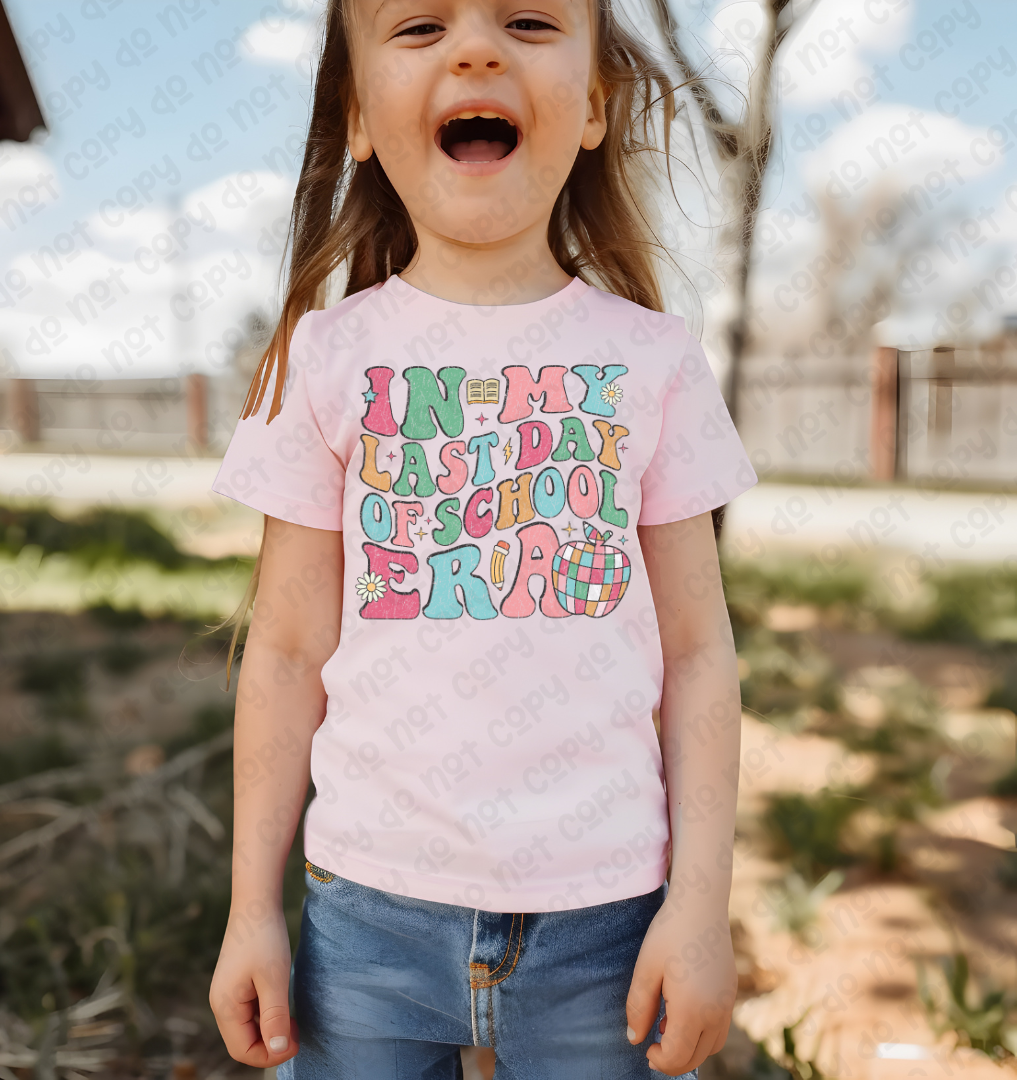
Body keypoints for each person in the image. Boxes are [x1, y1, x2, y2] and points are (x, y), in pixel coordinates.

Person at [207, 0, 758, 1072]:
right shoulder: (322, 361)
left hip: (608, 923)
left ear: (593, 107)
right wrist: (250, 912)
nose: (474, 47)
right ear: (359, 115)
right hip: (365, 919)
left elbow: (699, 653)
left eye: (528, 20)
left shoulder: (655, 361)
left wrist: (701, 908)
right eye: (418, 26)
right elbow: (282, 652)